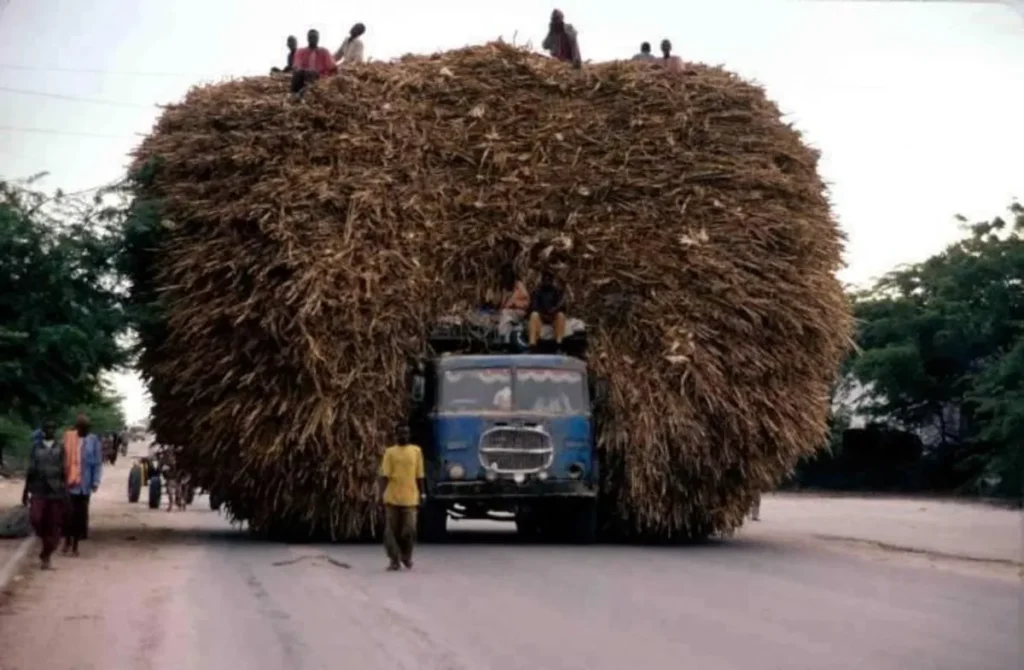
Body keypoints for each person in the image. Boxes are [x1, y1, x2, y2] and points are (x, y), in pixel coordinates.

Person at [378, 424, 425, 571]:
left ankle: (407, 555)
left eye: (406, 433)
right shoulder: (390, 452)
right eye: (401, 433)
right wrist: (381, 494)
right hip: (392, 497)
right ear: (396, 435)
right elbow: (385, 475)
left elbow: (420, 475)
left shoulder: (416, 451)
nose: (403, 436)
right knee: (391, 532)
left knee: (409, 529)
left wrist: (423, 493)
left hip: (410, 497)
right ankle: (394, 560)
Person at [22, 421, 66, 570]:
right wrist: (25, 491)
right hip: (38, 489)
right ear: (43, 430)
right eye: (47, 428)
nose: (50, 430)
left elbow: (64, 470)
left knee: (54, 526)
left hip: (55, 491)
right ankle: (43, 538)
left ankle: (46, 555)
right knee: (35, 518)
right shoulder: (36, 447)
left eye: (52, 428)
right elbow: (30, 470)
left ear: (55, 430)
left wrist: (65, 490)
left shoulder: (60, 447)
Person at [63, 414, 102, 555]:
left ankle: (75, 545)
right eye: (83, 428)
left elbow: (97, 463)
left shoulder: (93, 441)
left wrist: (96, 481)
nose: (86, 431)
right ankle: (67, 541)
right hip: (70, 483)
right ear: (78, 427)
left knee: (80, 515)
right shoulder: (69, 439)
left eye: (88, 428)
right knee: (68, 514)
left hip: (85, 485)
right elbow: (62, 459)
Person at [291, 29, 338, 96]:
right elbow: (296, 65)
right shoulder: (301, 51)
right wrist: (302, 70)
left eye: (315, 37)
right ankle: (294, 93)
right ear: (307, 38)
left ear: (318, 39)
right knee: (298, 73)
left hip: (320, 77)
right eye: (311, 37)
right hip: (303, 75)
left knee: (311, 73)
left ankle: (306, 92)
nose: (313, 39)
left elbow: (332, 68)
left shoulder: (324, 51)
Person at [528, 269, 567, 349]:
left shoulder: (556, 291)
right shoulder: (537, 291)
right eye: (545, 279)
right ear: (542, 280)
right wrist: (543, 314)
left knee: (561, 315)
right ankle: (532, 344)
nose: (547, 281)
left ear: (551, 280)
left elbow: (562, 307)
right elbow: (534, 307)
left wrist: (554, 311)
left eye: (549, 279)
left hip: (553, 317)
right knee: (534, 315)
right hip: (541, 317)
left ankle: (559, 343)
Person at [494, 264, 530, 339]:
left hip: (519, 311)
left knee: (506, 314)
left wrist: (515, 304)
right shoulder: (504, 288)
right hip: (507, 312)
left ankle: (503, 338)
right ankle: (509, 336)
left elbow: (527, 303)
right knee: (504, 317)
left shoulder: (519, 286)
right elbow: (499, 303)